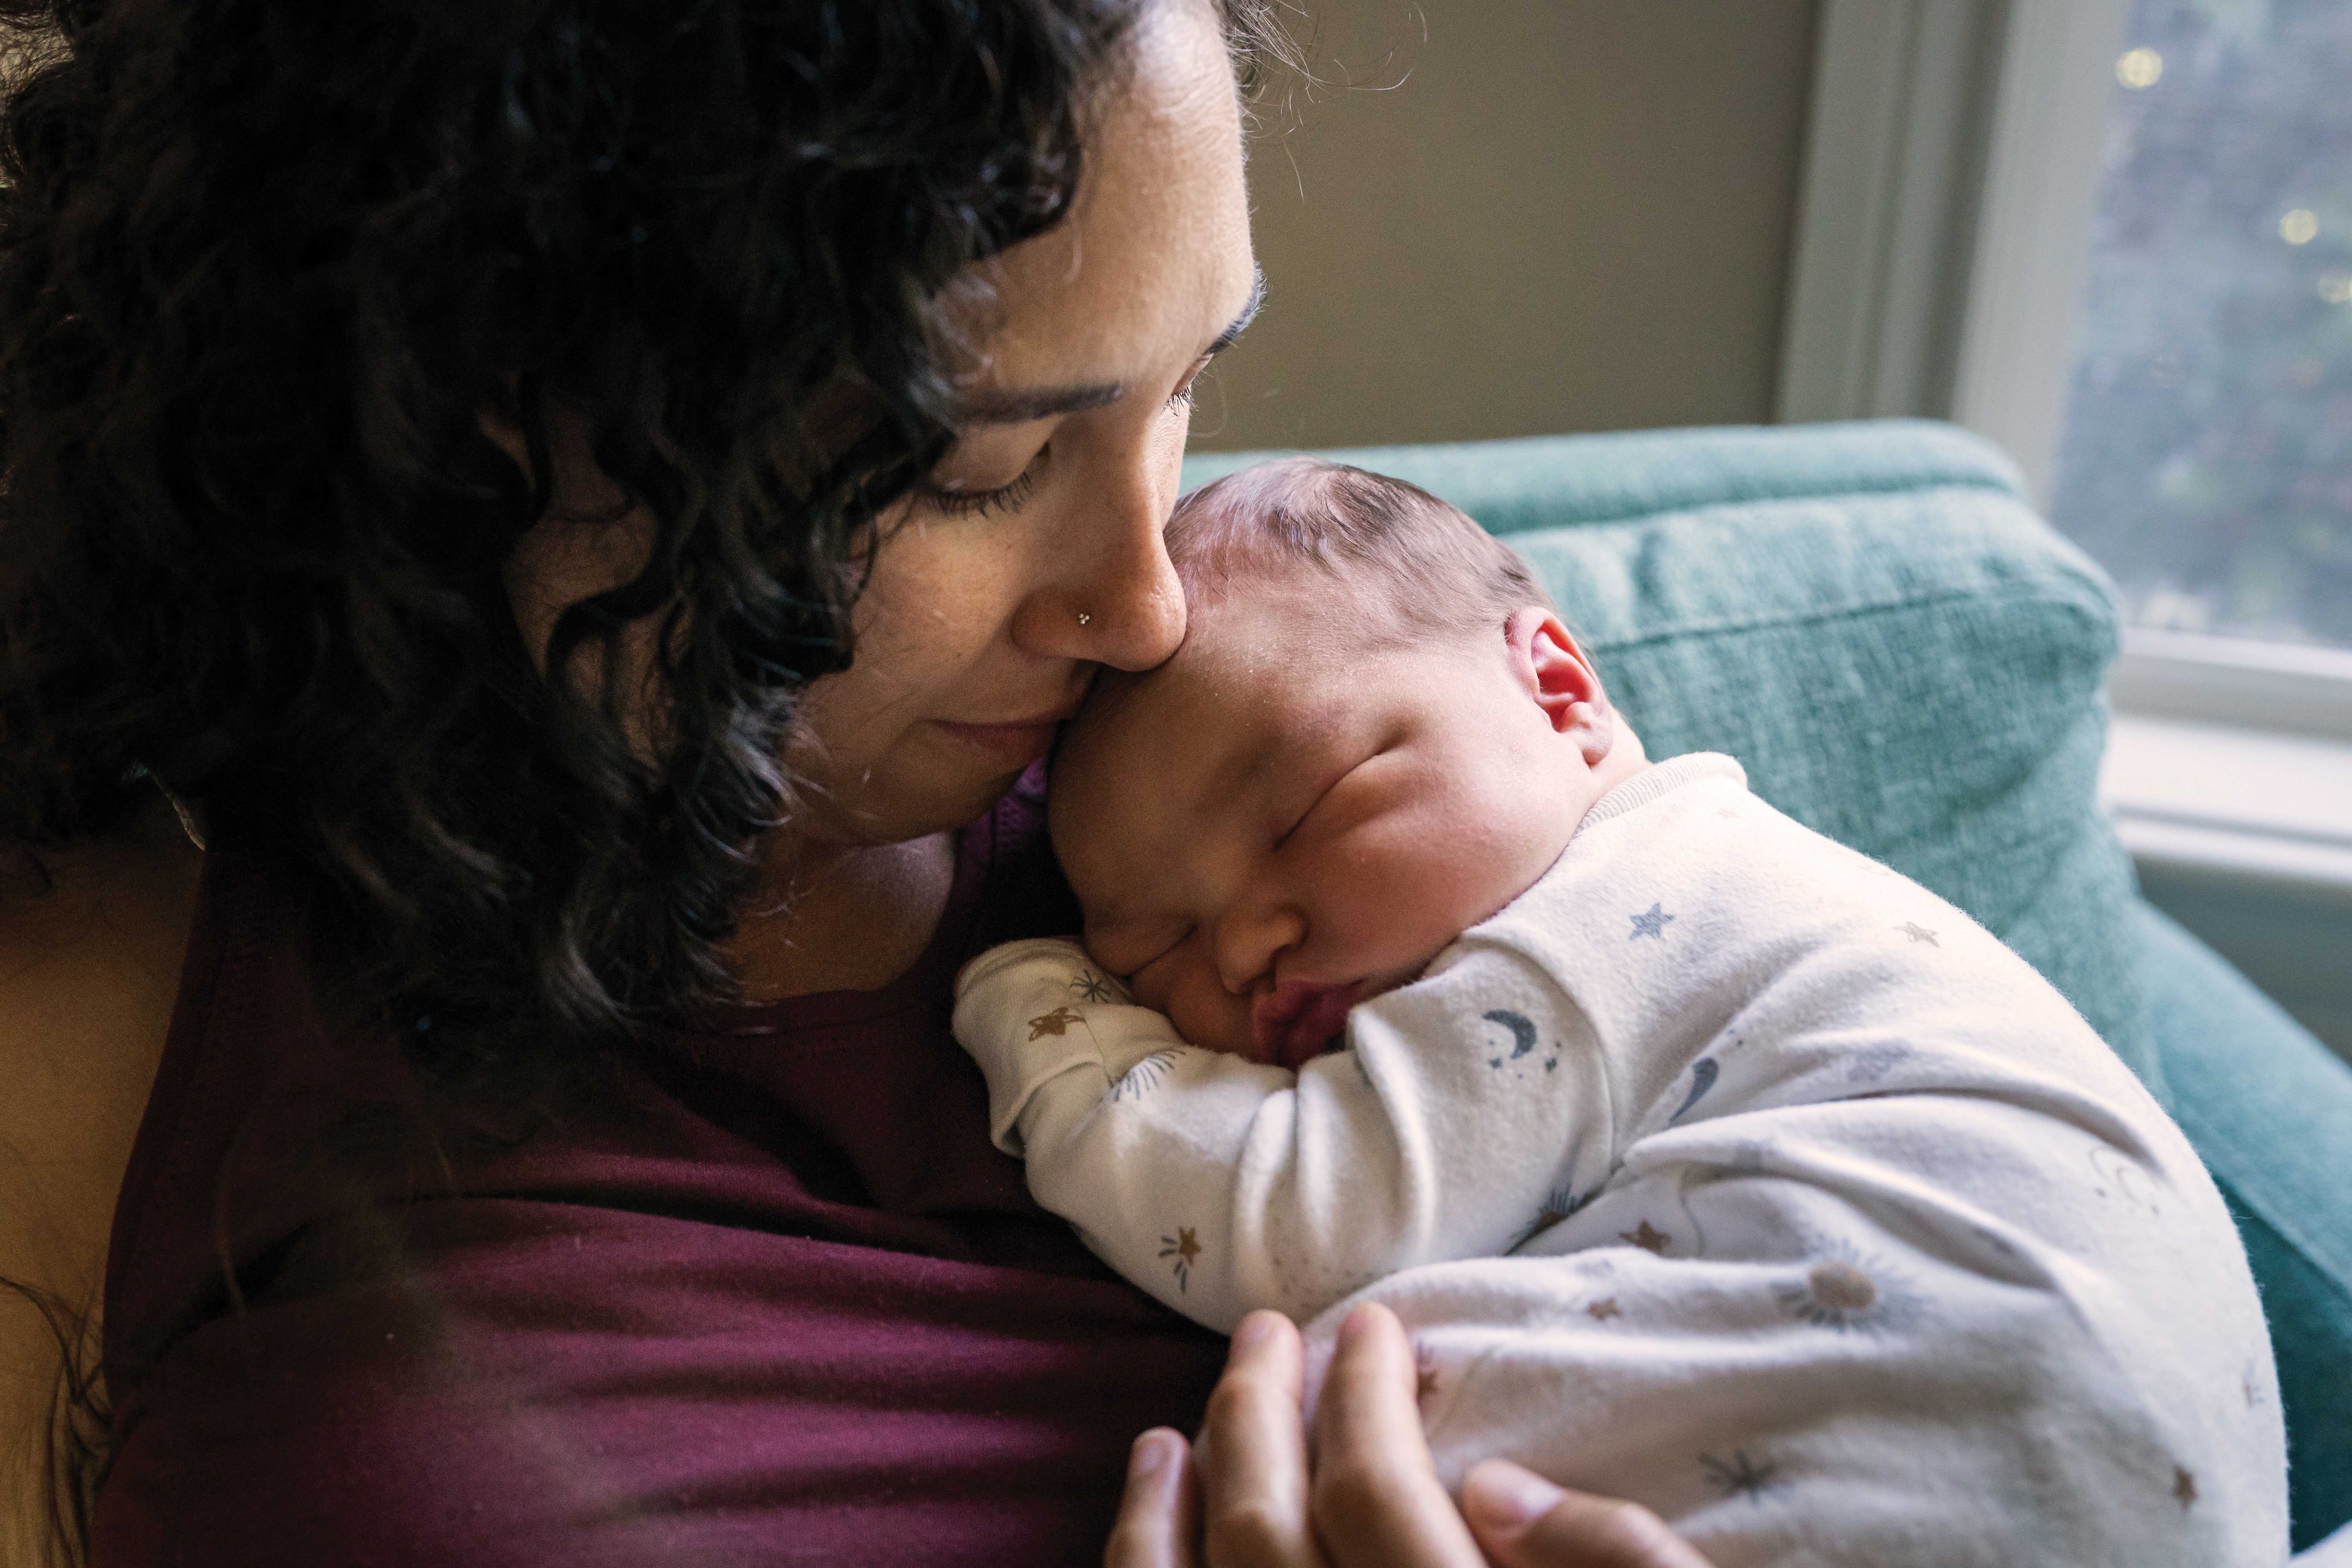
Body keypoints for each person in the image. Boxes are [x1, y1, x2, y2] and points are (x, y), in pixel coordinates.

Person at [0, 0, 1716, 1563]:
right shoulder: (115, 1023)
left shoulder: (1305, 781)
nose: (1147, 606)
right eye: (981, 470)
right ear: (467, 391)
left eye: (1192, 384)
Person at [953, 459, 2290, 1564]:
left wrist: (1044, 1004)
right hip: (2097, 1461)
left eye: (1311, 810)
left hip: (1982, 1424)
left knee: (1322, 1382)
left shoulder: (1596, 925)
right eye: (1155, 947)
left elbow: (1305, 1231)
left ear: (1558, 691)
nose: (1246, 946)